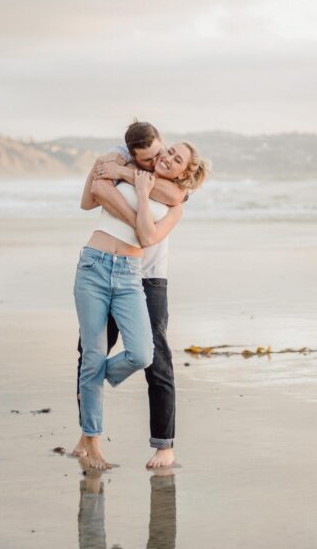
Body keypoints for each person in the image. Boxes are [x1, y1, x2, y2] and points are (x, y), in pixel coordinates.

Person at [73, 121, 210, 469]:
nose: (164, 157)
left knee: (152, 357)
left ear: (184, 170)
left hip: (147, 277)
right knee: (89, 352)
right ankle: (88, 436)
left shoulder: (171, 192)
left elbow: (171, 202)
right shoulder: (129, 161)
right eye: (165, 151)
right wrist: (126, 174)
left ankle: (164, 445)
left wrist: (126, 176)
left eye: (173, 156)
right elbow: (95, 195)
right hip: (102, 265)